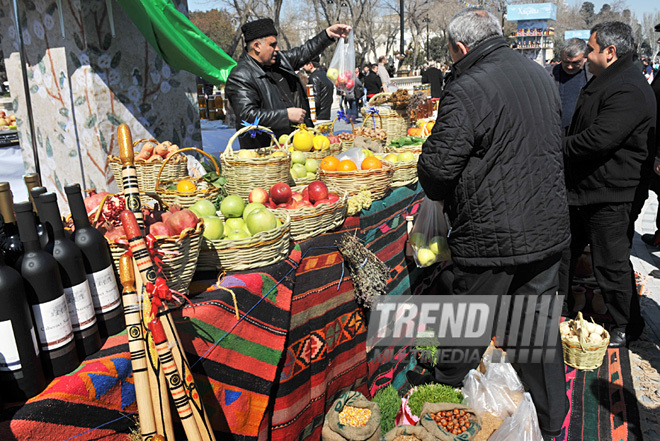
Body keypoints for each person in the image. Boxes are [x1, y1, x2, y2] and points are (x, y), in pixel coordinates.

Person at [415, 8, 569, 439]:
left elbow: (437, 171)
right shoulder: (538, 74)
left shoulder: (467, 88)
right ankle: (554, 418)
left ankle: (438, 406)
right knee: (535, 327)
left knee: (467, 325)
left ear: (461, 47)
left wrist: (428, 154)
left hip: (492, 234)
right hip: (544, 225)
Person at [561, 21, 655, 348]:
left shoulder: (627, 87)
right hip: (586, 189)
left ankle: (629, 324)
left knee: (610, 264)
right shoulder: (609, 80)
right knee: (565, 251)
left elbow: (599, 139)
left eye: (591, 49)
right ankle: (559, 307)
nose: (586, 54)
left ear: (610, 52)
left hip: (610, 194)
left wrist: (556, 147)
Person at [225, 18, 351, 148]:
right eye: (272, 45)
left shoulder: (279, 60)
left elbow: (304, 52)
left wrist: (327, 34)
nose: (277, 49)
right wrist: (286, 115)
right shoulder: (240, 76)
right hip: (267, 152)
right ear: (257, 46)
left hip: (297, 144)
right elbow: (247, 116)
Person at [550, 38, 590, 132]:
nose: (569, 66)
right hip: (556, 133)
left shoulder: (593, 75)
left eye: (575, 63)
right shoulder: (549, 75)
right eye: (566, 62)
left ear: (585, 58)